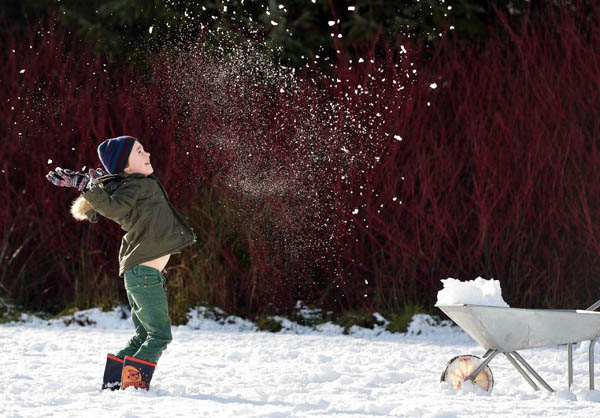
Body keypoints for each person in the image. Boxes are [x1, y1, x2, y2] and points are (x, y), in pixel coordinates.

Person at [46, 136, 196, 391]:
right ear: (126, 166)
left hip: (142, 274)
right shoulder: (134, 187)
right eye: (139, 151)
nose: (147, 152)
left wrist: (103, 182)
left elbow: (114, 199)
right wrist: (87, 186)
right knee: (159, 335)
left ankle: (114, 382)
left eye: (144, 147)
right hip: (143, 275)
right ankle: (133, 387)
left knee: (143, 335)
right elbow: (113, 208)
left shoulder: (135, 184)